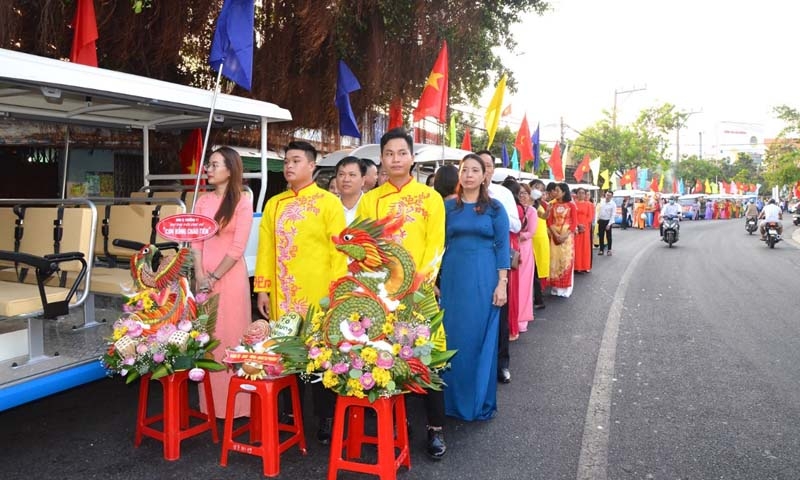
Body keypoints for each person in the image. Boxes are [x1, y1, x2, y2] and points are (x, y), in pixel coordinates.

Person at [355, 128, 447, 459]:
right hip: (382, 295)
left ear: (411, 157)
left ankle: (435, 429)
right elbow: (365, 247)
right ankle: (398, 423)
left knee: (428, 359)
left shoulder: (430, 198)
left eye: (401, 153)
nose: (395, 159)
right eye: (389, 154)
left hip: (419, 294)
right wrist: (379, 285)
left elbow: (436, 245)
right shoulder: (370, 200)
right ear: (382, 158)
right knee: (387, 357)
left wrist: (418, 284)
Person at [254, 140, 348, 444]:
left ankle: (325, 417)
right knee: (287, 353)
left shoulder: (328, 203)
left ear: (312, 165)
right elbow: (265, 250)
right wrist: (263, 289)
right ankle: (290, 412)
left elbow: (339, 252)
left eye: (296, 160)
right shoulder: (274, 204)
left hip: (319, 295)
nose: (290, 166)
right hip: (283, 296)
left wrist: (337, 292)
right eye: (286, 161)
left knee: (320, 356)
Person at [440, 154, 510, 422]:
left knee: (478, 338)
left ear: (484, 176)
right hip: (453, 278)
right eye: (464, 170)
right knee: (452, 337)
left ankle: (478, 401)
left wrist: (502, 284)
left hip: (484, 278)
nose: (468, 174)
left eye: (474, 170)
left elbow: (503, 247)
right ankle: (450, 401)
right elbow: (437, 245)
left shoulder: (495, 209)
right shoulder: (448, 208)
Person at [192, 146, 254, 419]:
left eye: (214, 164)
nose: (208, 169)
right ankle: (210, 405)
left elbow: (237, 247)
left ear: (230, 169)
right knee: (210, 340)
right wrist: (199, 276)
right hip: (203, 278)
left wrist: (214, 277)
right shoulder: (202, 201)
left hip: (229, 280)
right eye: (208, 164)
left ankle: (238, 406)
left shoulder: (242, 200)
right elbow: (195, 243)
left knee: (231, 337)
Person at [475, 150, 521, 386]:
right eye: (478, 165)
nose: (484, 170)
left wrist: (497, 212)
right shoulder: (461, 195)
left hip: (496, 261)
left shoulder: (502, 194)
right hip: (471, 264)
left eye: (488, 165)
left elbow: (516, 224)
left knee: (498, 313)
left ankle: (501, 365)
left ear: (492, 170)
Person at [500, 178, 524, 341]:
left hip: (509, 248)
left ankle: (512, 328)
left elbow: (516, 227)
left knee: (510, 290)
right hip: (508, 245)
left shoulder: (516, 209)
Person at [548, 183, 577, 297]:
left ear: (564, 192)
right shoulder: (552, 205)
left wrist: (565, 236)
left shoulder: (571, 205)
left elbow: (574, 223)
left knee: (566, 261)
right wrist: (555, 234)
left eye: (557, 190)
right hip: (555, 237)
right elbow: (549, 221)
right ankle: (555, 287)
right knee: (554, 260)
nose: (555, 192)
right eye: (554, 190)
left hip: (567, 238)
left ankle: (565, 289)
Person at [516, 183, 537, 332]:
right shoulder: (512, 210)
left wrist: (515, 237)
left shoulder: (532, 211)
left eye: (525, 193)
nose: (522, 196)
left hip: (524, 250)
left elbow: (531, 232)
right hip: (512, 248)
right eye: (519, 193)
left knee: (523, 285)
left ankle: (521, 319)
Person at [529, 179, 549, 310]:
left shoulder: (538, 203)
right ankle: (537, 298)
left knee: (536, 269)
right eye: (536, 187)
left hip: (538, 238)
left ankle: (538, 298)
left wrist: (549, 210)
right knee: (532, 269)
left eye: (541, 189)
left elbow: (543, 216)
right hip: (529, 239)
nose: (538, 191)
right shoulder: (525, 201)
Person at [334, 156, 365, 225]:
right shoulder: (329, 206)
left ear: (363, 180)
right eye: (341, 174)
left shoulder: (372, 205)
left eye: (352, 175)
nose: (346, 179)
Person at [573, 188, 594, 272]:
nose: (581, 195)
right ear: (576, 194)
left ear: (585, 195)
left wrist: (583, 225)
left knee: (585, 247)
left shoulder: (589, 204)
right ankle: (577, 266)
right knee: (576, 247)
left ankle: (585, 266)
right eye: (579, 193)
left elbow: (590, 217)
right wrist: (577, 225)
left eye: (583, 193)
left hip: (585, 228)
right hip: (576, 227)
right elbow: (572, 216)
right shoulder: (573, 204)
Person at [597, 191, 616, 256]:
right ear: (605, 195)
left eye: (609, 195)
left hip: (608, 221)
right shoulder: (602, 201)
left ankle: (609, 250)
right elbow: (599, 211)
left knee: (608, 236)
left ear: (611, 196)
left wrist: (609, 224)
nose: (608, 196)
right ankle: (601, 250)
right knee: (601, 236)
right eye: (607, 195)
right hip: (601, 220)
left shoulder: (613, 204)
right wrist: (598, 218)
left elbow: (613, 215)